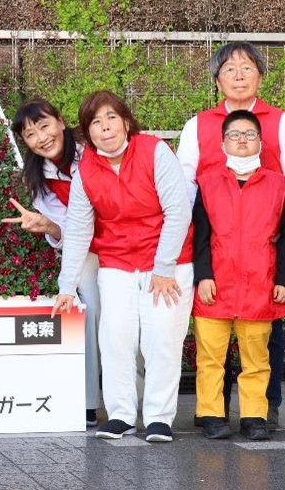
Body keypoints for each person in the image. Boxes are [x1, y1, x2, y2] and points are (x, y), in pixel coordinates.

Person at [53, 91, 194, 444]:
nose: (105, 127)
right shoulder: (87, 170)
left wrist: (163, 267)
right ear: (87, 134)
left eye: (111, 118)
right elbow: (79, 228)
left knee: (161, 336)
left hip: (168, 261)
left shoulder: (154, 150)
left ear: (126, 122)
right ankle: (121, 415)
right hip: (117, 262)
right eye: (95, 122)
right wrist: (66, 285)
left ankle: (159, 417)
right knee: (115, 337)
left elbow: (178, 210)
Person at [176, 41, 285, 427]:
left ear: (260, 76)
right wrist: (199, 266)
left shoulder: (281, 121)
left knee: (263, 338)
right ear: (217, 80)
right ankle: (211, 412)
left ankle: (263, 408)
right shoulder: (198, 124)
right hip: (215, 243)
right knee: (212, 344)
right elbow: (184, 184)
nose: (239, 75)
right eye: (230, 69)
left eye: (247, 68)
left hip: (265, 243)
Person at [190, 109, 285, 442]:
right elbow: (199, 235)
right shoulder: (207, 183)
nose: (242, 140)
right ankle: (211, 414)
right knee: (210, 357)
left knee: (257, 358)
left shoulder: (279, 186)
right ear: (222, 142)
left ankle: (254, 416)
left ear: (261, 143)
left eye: (250, 134)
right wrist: (203, 274)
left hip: (260, 285)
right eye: (235, 135)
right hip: (216, 285)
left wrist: (284, 279)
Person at [4, 99, 101, 427]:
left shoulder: (92, 153)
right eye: (30, 135)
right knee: (89, 315)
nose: (40, 138)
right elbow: (69, 231)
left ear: (61, 121)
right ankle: (89, 401)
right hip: (89, 252)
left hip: (130, 246)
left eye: (44, 126)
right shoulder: (40, 179)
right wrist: (48, 226)